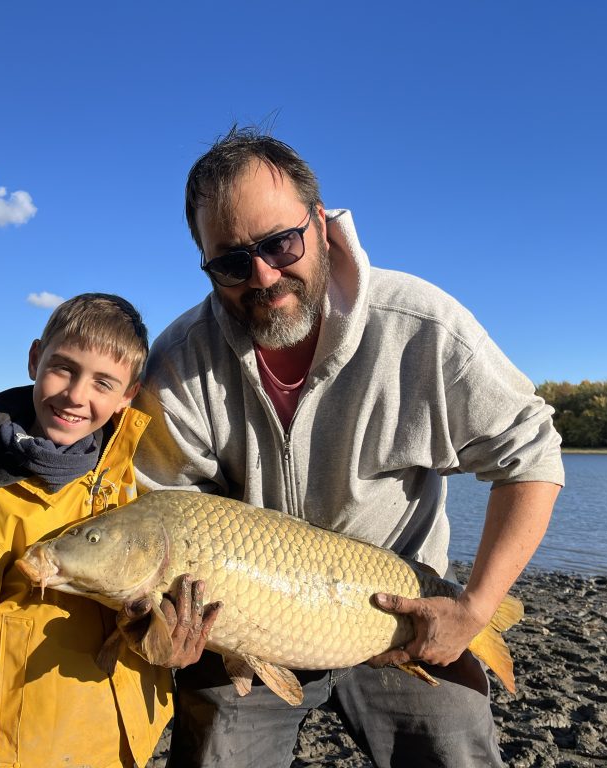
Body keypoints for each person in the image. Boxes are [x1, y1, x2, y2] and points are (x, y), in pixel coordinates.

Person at [132, 128, 565, 767]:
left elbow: (531, 455)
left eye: (280, 243)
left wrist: (475, 607)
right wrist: (165, 623)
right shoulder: (179, 362)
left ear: (322, 222)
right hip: (248, 621)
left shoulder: (422, 327)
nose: (262, 275)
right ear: (205, 262)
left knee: (455, 745)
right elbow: (165, 505)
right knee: (213, 751)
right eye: (229, 261)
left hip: (400, 614)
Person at [0, 293, 217, 768]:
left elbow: (143, 620)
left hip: (127, 746)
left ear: (126, 397)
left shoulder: (133, 487)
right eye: (64, 368)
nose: (76, 395)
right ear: (35, 359)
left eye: (103, 382)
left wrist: (162, 640)